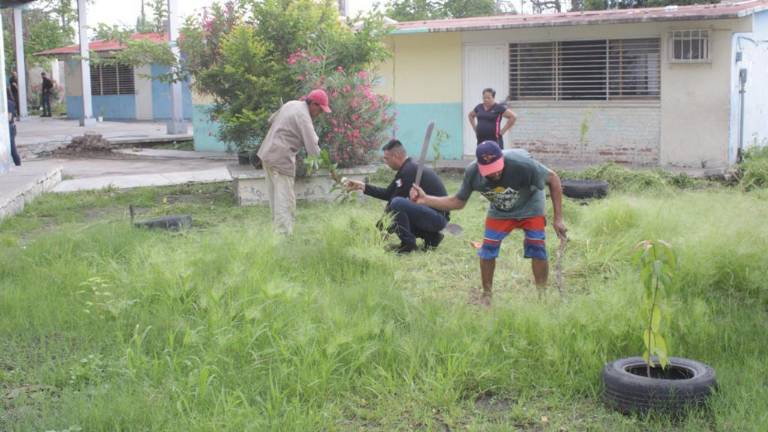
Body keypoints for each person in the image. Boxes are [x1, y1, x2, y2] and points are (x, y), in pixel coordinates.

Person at [410, 140, 567, 306]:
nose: (495, 174)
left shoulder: (522, 164)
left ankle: (541, 295)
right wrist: (425, 199)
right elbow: (458, 202)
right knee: (488, 249)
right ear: (479, 166)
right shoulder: (472, 173)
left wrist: (558, 218)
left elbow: (553, 179)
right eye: (489, 171)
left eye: (498, 168)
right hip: (500, 210)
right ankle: (487, 294)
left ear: (503, 159)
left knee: (537, 246)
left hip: (531, 205)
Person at [345, 139, 449, 254]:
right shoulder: (406, 168)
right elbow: (388, 194)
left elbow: (393, 201)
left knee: (397, 204)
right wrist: (362, 186)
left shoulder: (409, 170)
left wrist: (380, 229)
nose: (385, 162)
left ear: (396, 156)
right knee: (397, 210)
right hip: (432, 216)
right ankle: (432, 237)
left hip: (437, 218)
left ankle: (408, 245)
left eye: (386, 158)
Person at [256, 89, 331, 235]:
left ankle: (277, 233)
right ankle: (284, 237)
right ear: (314, 104)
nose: (320, 114)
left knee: (275, 199)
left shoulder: (291, 104)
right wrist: (325, 164)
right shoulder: (304, 117)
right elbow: (313, 148)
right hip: (281, 159)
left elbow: (271, 120)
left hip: (267, 154)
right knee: (285, 201)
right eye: (320, 110)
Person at [8, 93, 21, 166]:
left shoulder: (8, 103)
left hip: (9, 128)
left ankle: (18, 164)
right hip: (10, 127)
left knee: (12, 150)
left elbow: (9, 118)